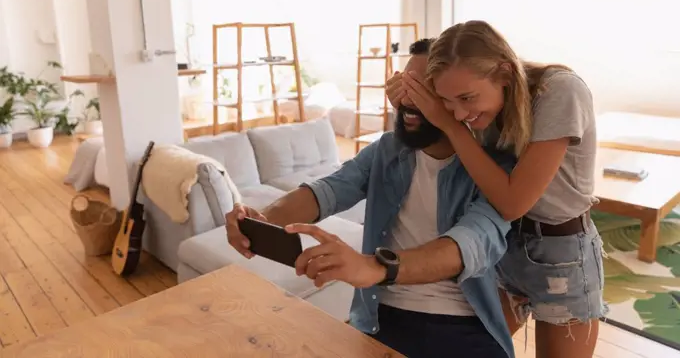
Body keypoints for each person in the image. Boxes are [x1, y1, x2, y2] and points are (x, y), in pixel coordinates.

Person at [225, 39, 518, 358]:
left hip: (465, 326)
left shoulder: (494, 168)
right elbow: (327, 190)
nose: (406, 100)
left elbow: (470, 242)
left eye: (423, 90)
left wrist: (375, 267)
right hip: (381, 317)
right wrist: (262, 221)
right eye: (403, 84)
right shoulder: (388, 150)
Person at [387, 21, 606, 358]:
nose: (459, 112)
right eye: (446, 101)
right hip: (502, 245)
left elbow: (513, 202)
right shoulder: (472, 107)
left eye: (467, 98)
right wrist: (406, 106)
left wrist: (448, 123)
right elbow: (427, 150)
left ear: (504, 73)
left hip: (562, 254)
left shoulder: (560, 91)